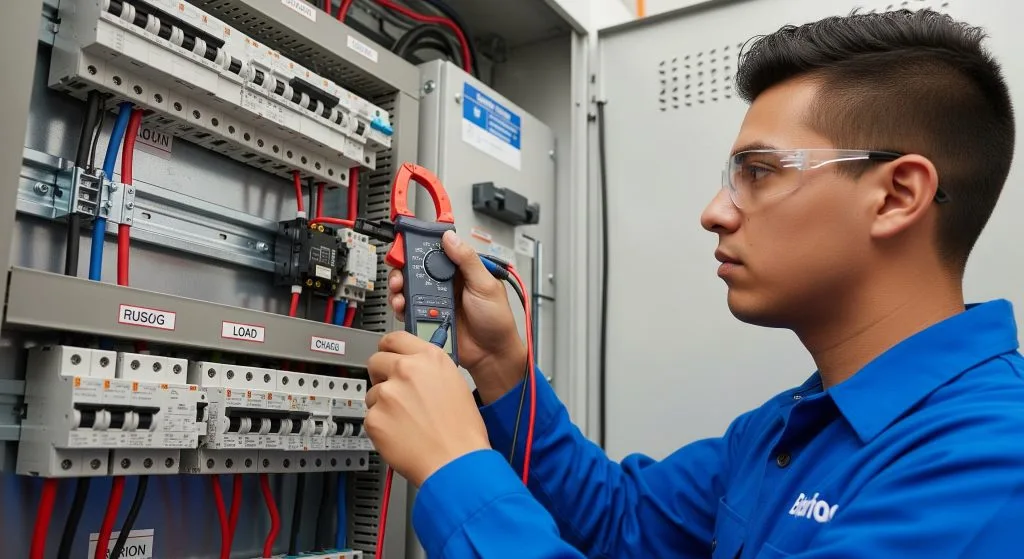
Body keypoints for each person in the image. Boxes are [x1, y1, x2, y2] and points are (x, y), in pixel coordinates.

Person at [363, 8, 1024, 558]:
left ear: (897, 196)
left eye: (759, 172)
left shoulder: (990, 464)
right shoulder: (781, 432)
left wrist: (457, 468)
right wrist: (501, 368)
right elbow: (620, 521)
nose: (714, 212)